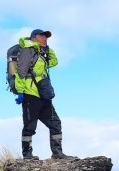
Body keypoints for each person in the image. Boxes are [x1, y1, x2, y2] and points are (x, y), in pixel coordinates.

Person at [14, 29, 74, 160]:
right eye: (41, 36)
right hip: (30, 94)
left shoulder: (42, 53)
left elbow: (54, 62)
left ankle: (57, 153)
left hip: (43, 94)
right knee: (30, 126)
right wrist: (20, 92)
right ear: (34, 38)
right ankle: (27, 155)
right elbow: (21, 72)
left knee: (55, 123)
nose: (45, 39)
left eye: (46, 37)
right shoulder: (27, 51)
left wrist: (47, 49)